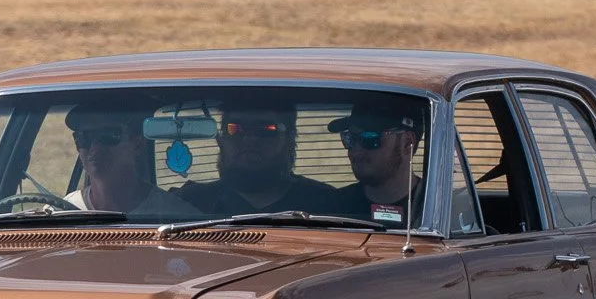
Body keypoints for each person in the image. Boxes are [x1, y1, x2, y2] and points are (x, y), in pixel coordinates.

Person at [178, 104, 336, 217]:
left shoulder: (330, 205)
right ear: (221, 139)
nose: (249, 139)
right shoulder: (187, 204)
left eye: (265, 130)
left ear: (289, 139)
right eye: (236, 129)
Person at [61, 104, 199, 221]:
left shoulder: (177, 218)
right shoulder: (60, 214)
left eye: (108, 136)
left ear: (137, 145)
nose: (95, 148)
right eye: (84, 138)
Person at [326, 99, 426, 228]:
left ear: (407, 142)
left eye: (370, 138)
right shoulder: (331, 210)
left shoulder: (435, 211)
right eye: (349, 138)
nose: (355, 152)